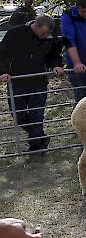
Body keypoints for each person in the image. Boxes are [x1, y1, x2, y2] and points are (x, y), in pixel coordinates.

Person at [0, 15, 64, 153]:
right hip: (17, 82)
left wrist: (56, 66)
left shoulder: (51, 39)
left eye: (48, 34)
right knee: (19, 115)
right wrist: (3, 72)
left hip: (38, 82)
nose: (45, 36)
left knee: (37, 115)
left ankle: (36, 148)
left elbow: (54, 56)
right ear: (36, 26)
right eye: (43, 33)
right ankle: (40, 137)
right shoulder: (15, 33)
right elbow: (2, 54)